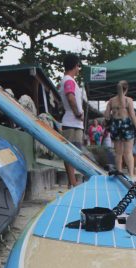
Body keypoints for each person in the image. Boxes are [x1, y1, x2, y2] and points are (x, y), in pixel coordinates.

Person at [104, 80, 136, 176]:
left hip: (115, 125)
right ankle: (131, 175)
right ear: (126, 89)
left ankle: (119, 173)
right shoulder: (128, 100)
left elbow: (107, 116)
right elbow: (132, 115)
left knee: (118, 153)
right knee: (128, 152)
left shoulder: (111, 101)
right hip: (126, 125)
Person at [59, 53, 85, 188]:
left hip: (73, 123)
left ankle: (72, 182)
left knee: (73, 154)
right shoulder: (69, 80)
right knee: (71, 154)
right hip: (72, 123)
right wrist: (78, 113)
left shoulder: (67, 80)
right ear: (76, 66)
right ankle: (73, 183)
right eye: (78, 66)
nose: (79, 69)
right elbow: (70, 97)